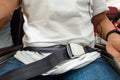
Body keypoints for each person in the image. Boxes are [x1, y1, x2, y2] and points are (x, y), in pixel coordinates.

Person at [0, 0, 120, 80]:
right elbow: (3, 10)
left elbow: (100, 20)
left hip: (84, 59)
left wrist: (112, 35)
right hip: (29, 60)